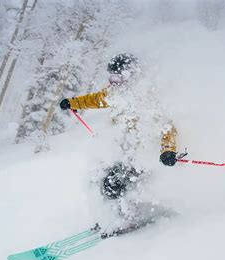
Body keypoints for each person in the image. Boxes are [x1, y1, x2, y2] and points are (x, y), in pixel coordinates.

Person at [59, 53, 179, 225]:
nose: (112, 82)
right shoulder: (115, 93)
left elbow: (168, 128)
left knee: (117, 184)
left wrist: (168, 150)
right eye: (111, 77)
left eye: (117, 76)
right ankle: (112, 217)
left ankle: (130, 218)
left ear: (130, 75)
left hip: (144, 154)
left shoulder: (148, 97)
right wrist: (73, 103)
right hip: (124, 150)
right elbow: (96, 99)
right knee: (103, 180)